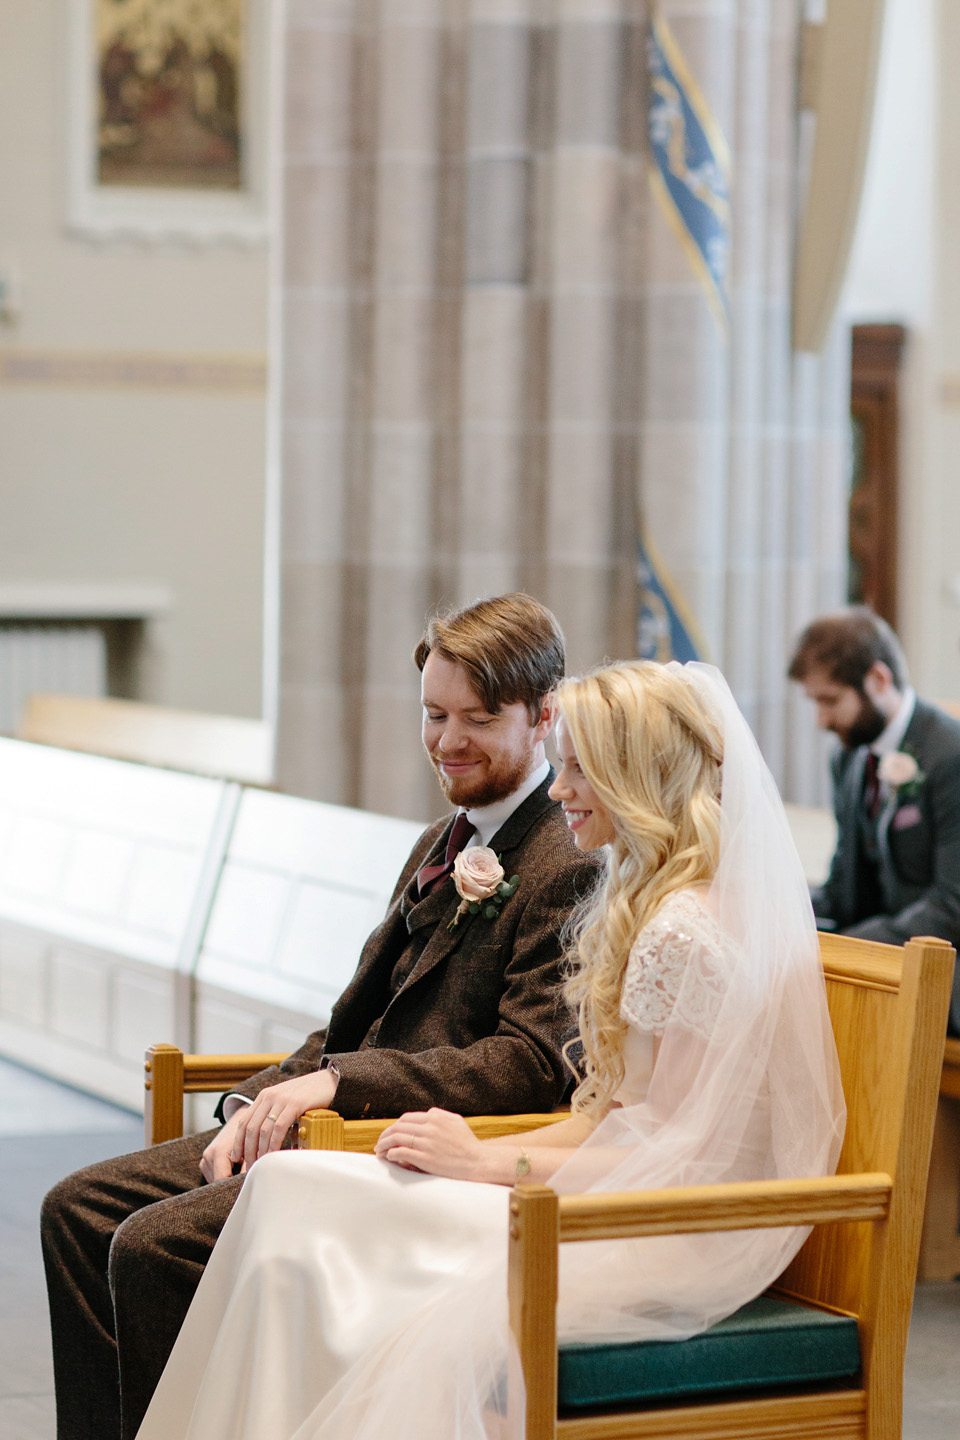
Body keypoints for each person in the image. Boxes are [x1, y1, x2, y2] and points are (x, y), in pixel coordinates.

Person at [134, 660, 845, 1440]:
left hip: (660, 1231)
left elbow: (678, 1154)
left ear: (635, 774)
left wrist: (481, 1162)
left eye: (580, 768)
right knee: (288, 1190)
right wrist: (479, 1155)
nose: (561, 788)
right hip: (604, 1194)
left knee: (309, 1213)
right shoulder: (658, 904)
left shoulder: (684, 929)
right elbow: (609, 1121)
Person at [41, 593, 602, 1440]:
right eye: (433, 714)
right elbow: (351, 1023)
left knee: (151, 1247)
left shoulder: (564, 857)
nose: (447, 741)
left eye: (478, 719)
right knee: (75, 1210)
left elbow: (525, 1061)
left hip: (404, 1148)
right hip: (330, 1116)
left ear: (543, 714)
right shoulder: (439, 841)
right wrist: (255, 1101)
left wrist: (336, 1088)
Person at [788, 606, 960, 1034]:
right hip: (885, 953)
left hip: (948, 968)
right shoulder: (848, 757)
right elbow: (845, 883)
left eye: (830, 701)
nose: (821, 721)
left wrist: (850, 945)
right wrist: (782, 911)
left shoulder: (950, 756)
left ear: (878, 680)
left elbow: (951, 907)